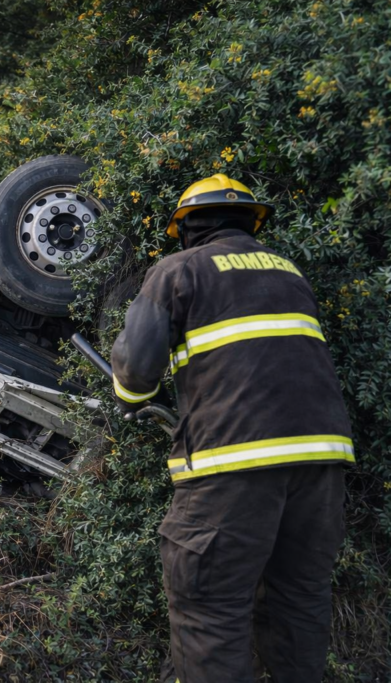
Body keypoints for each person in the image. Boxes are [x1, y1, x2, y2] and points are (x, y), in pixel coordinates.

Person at [109, 174, 355, 682]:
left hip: (232, 465)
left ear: (186, 228)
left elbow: (134, 371)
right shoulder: (289, 272)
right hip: (323, 464)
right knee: (299, 601)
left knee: (209, 611)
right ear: (250, 224)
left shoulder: (179, 269)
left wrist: (130, 398)